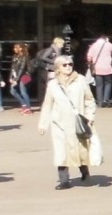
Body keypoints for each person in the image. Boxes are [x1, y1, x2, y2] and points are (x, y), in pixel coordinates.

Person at [37, 54, 96, 189]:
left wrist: (90, 116)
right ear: (58, 68)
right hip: (59, 123)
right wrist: (43, 124)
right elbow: (47, 105)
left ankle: (84, 172)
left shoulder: (81, 80)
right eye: (65, 65)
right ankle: (64, 181)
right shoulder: (53, 85)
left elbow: (89, 100)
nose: (68, 67)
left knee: (79, 150)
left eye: (70, 64)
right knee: (61, 151)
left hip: (77, 122)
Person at [85, 33, 112, 108]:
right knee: (108, 84)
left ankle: (99, 102)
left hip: (97, 68)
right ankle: (106, 101)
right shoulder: (109, 45)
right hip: (107, 68)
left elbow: (89, 57)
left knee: (99, 85)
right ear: (106, 39)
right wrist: (108, 43)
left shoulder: (94, 45)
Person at [36, 36, 65, 103]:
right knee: (52, 85)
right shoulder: (51, 49)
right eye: (62, 44)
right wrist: (54, 61)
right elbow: (44, 57)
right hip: (50, 69)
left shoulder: (57, 50)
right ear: (58, 43)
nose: (63, 46)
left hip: (54, 69)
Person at [8, 43, 34, 114]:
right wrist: (11, 77)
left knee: (23, 92)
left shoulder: (24, 57)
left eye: (16, 48)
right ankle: (24, 104)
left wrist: (16, 80)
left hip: (25, 76)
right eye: (14, 48)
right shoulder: (15, 56)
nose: (14, 49)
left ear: (21, 48)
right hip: (17, 75)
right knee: (12, 91)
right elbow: (13, 68)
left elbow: (22, 69)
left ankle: (28, 108)